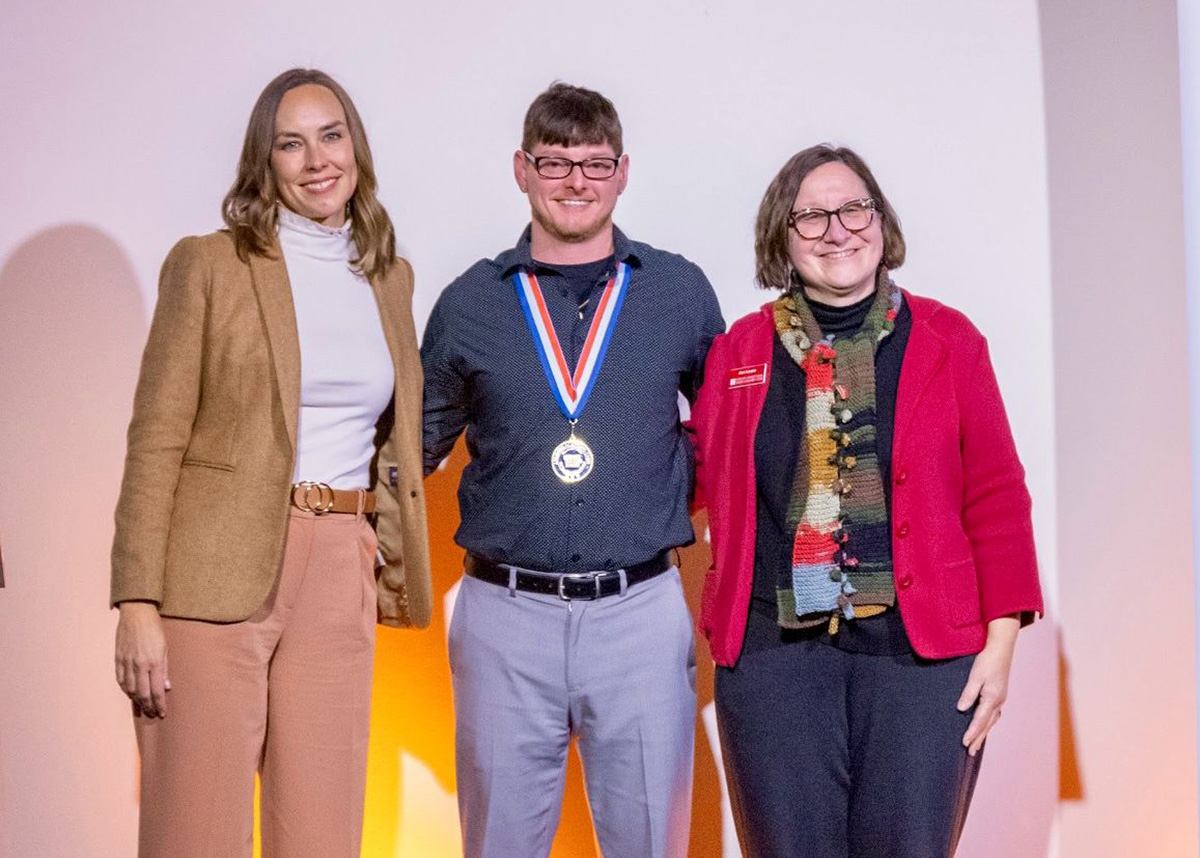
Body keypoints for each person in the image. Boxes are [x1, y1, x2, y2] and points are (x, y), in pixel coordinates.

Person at [109, 68, 432, 858]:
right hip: (214, 569)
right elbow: (157, 436)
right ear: (265, 160)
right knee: (195, 830)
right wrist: (137, 603)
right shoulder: (211, 264)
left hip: (339, 561)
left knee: (323, 831)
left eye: (331, 135)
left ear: (356, 147)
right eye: (291, 142)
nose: (317, 159)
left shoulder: (389, 279)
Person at [689, 144, 1044, 858]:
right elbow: (689, 473)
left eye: (854, 208)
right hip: (773, 663)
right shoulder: (740, 353)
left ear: (881, 222)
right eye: (811, 216)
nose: (837, 229)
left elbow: (997, 494)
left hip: (921, 661)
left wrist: (1002, 645)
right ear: (781, 240)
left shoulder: (950, 340)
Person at [422, 82, 725, 858]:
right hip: (503, 615)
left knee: (650, 841)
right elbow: (410, 452)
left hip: (640, 611)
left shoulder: (676, 292)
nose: (576, 182)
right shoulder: (471, 303)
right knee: (498, 845)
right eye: (556, 162)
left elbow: (728, 430)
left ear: (624, 172)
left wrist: (655, 484)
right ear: (521, 169)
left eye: (594, 163)